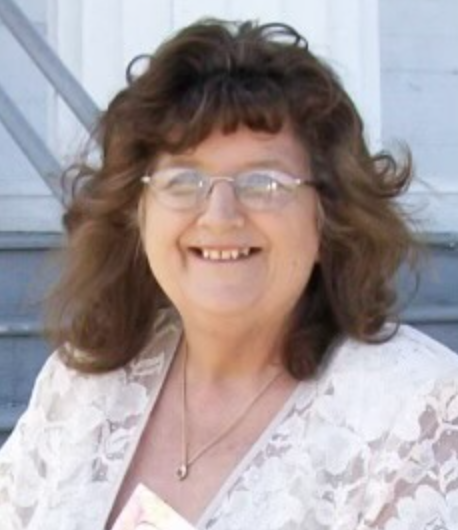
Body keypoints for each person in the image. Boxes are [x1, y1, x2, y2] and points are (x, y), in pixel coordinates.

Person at [0, 18, 457, 530]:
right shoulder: (81, 384)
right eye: (183, 179)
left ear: (329, 215)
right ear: (137, 212)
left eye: (264, 182)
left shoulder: (416, 415)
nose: (220, 215)